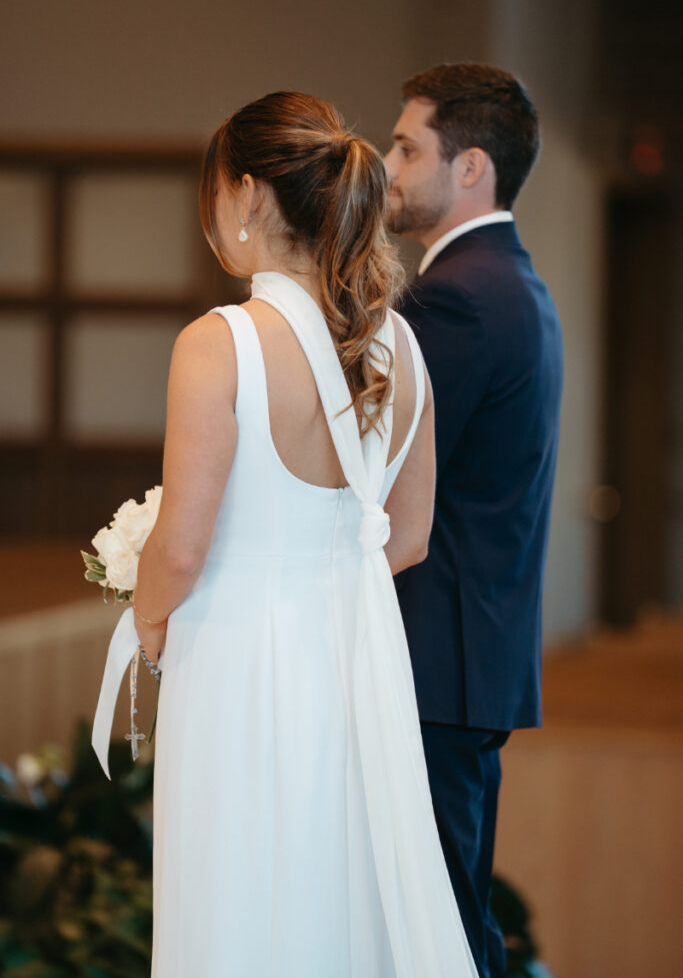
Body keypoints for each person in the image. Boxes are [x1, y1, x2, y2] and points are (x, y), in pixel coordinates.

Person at [92, 91, 480, 977]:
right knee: (346, 886)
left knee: (238, 891)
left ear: (247, 193)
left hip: (235, 662)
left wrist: (149, 625)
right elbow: (410, 534)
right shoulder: (401, 347)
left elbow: (182, 547)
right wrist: (316, 582)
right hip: (356, 660)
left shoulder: (220, 339)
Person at [385, 63, 564, 978]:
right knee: (442, 924)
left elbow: (375, 475)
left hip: (431, 660)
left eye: (407, 146)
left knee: (439, 938)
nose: (387, 166)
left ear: (470, 169)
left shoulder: (457, 297)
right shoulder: (509, 284)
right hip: (461, 660)